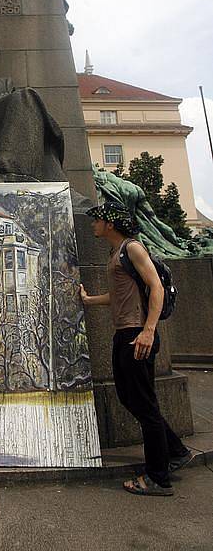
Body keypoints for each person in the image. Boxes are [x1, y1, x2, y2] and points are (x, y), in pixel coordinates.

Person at [80, 201, 192, 496]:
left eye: (98, 220)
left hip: (137, 334)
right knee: (131, 398)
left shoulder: (133, 248)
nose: (94, 224)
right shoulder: (115, 253)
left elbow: (155, 286)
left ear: (111, 224)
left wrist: (149, 330)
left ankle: (158, 477)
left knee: (145, 404)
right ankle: (177, 450)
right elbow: (119, 296)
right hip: (124, 334)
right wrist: (90, 301)